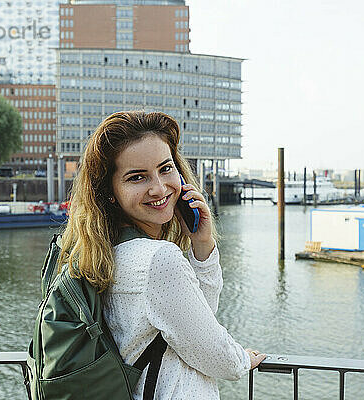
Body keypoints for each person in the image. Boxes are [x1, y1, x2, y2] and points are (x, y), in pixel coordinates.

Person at [58, 111, 266, 399]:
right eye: (137, 177)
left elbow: (195, 319)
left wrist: (201, 245)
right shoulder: (157, 258)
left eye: (165, 168)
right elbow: (214, 353)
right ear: (110, 192)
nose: (159, 187)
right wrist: (242, 359)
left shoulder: (106, 252)